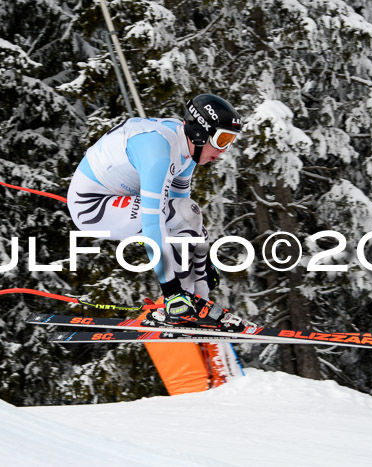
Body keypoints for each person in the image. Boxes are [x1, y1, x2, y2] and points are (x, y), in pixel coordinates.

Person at [67, 94, 251, 331]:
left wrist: (202, 262)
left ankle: (200, 303)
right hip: (92, 205)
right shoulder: (159, 154)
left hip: (118, 196)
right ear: (201, 132)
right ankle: (180, 305)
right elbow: (155, 224)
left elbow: (184, 212)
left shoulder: (187, 150)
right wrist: (171, 290)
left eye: (230, 141)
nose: (224, 150)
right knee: (172, 219)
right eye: (222, 139)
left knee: (189, 214)